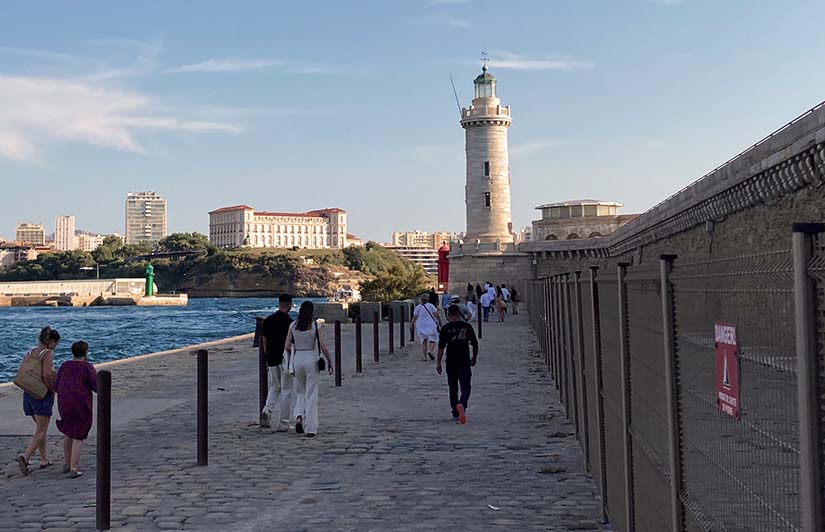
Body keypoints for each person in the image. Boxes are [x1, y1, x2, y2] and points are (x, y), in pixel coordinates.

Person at [284, 301, 333, 437]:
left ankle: (299, 416)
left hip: (298, 357)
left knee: (300, 390)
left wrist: (293, 352)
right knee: (311, 393)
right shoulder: (315, 325)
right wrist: (329, 360)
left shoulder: (293, 325)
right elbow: (322, 345)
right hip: (311, 357)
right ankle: (310, 427)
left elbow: (287, 346)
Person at [16, 326, 60, 476]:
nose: (56, 347)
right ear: (52, 341)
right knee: (41, 430)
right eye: (56, 343)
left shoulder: (30, 352)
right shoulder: (47, 354)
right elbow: (47, 375)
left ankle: (44, 459)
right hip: (41, 394)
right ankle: (25, 457)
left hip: (28, 392)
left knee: (40, 429)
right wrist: (52, 389)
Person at [55, 341, 97, 478]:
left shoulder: (64, 366)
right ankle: (74, 468)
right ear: (85, 352)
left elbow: (57, 384)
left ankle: (67, 463)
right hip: (81, 403)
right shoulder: (87, 367)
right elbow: (96, 386)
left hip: (64, 402)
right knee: (78, 435)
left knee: (68, 432)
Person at [436, 305, 479, 424]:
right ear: (459, 314)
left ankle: (455, 411)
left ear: (449, 315)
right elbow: (474, 344)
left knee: (453, 388)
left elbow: (441, 347)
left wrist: (438, 362)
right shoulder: (467, 327)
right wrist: (474, 357)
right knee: (466, 387)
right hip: (464, 361)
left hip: (451, 361)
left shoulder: (445, 328)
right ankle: (462, 404)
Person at [260, 294, 295, 431]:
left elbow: (264, 340)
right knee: (286, 389)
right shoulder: (290, 322)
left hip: (272, 358)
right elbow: (292, 343)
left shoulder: (268, 320)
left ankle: (267, 410)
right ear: (290, 305)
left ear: (279, 303)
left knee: (275, 386)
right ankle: (284, 422)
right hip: (285, 359)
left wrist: (267, 357)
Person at [411, 294, 441, 361]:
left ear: (421, 300)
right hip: (431, 324)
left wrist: (412, 324)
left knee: (424, 341)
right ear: (428, 299)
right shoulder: (431, 306)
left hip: (421, 325)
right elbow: (436, 314)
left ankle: (424, 357)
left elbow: (414, 317)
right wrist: (439, 321)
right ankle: (430, 351)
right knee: (433, 339)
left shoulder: (418, 307)